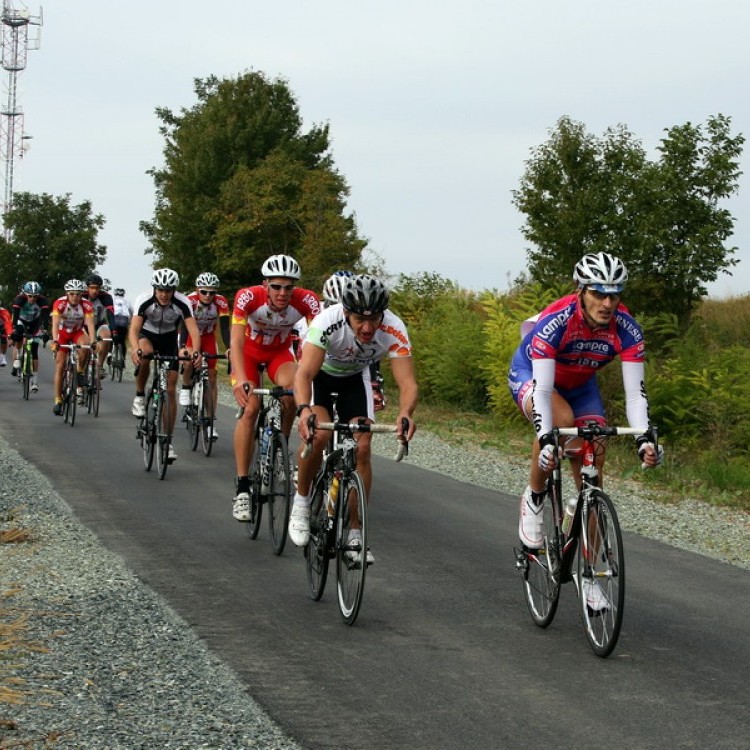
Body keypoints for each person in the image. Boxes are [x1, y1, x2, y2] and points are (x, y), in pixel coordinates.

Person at [508, 252, 663, 610]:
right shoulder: (556, 321)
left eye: (614, 294)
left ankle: (591, 572)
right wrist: (547, 437)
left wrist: (643, 438)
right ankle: (533, 497)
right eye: (598, 293)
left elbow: (636, 395)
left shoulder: (627, 328)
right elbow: (544, 394)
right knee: (562, 424)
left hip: (582, 387)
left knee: (593, 463)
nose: (607, 303)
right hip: (534, 377)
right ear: (581, 290)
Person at [290, 273, 418, 564]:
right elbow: (305, 373)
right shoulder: (327, 321)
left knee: (362, 448)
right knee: (319, 435)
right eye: (360, 319)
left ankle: (355, 533)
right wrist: (303, 410)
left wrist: (405, 414)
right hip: (320, 378)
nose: (368, 327)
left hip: (355, 379)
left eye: (374, 319)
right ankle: (300, 502)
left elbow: (408, 383)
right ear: (346, 312)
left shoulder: (394, 328)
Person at [230, 254, 321, 521]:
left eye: (288, 287)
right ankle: (243, 487)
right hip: (248, 352)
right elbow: (235, 341)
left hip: (278, 354)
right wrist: (241, 378)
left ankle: (280, 445)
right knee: (251, 409)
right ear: (265, 284)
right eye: (276, 286)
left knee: (295, 390)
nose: (283, 293)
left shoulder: (307, 300)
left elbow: (318, 339)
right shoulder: (248, 297)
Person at [129, 268, 202, 462]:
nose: (164, 294)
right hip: (147, 334)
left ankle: (167, 442)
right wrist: (134, 348)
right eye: (160, 290)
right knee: (145, 354)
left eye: (168, 290)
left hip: (169, 338)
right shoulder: (143, 300)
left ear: (174, 290)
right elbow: (134, 328)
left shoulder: (183, 302)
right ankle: (139, 396)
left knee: (170, 390)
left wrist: (196, 350)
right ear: (154, 288)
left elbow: (193, 330)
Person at [179, 272, 231, 439]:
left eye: (212, 292)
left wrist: (230, 348)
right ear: (197, 290)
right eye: (204, 292)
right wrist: (182, 347)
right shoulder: (190, 300)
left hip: (208, 337)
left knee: (212, 377)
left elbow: (224, 329)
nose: (208, 296)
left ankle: (209, 421)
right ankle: (186, 388)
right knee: (188, 361)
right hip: (189, 335)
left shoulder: (221, 302)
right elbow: (183, 328)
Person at [49, 279, 97, 414]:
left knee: (86, 345)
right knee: (60, 366)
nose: (75, 297)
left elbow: (90, 324)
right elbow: (54, 324)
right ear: (67, 293)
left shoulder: (86, 305)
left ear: (82, 294)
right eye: (72, 294)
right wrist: (55, 341)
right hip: (62, 333)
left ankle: (80, 370)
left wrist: (93, 341)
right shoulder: (59, 303)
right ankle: (58, 400)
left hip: (77, 332)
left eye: (78, 294)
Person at [10, 281, 51, 390]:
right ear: (25, 294)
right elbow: (15, 315)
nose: (33, 299)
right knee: (18, 336)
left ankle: (35, 381)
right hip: (21, 320)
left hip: (34, 323)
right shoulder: (20, 299)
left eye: (35, 296)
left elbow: (45, 317)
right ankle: (18, 356)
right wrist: (14, 329)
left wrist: (45, 331)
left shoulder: (42, 300)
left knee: (34, 350)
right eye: (30, 296)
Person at [83, 273, 116, 378]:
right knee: (85, 349)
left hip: (99, 324)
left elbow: (110, 314)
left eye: (97, 288)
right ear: (87, 287)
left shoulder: (106, 297)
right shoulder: (81, 296)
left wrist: (114, 331)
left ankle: (100, 366)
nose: (94, 291)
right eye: (92, 288)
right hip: (83, 326)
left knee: (107, 336)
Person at [111, 287, 133, 360]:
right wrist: (131, 321)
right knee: (122, 341)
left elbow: (108, 310)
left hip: (114, 319)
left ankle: (109, 355)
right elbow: (131, 312)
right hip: (124, 320)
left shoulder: (112, 300)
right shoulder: (127, 301)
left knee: (112, 338)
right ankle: (123, 360)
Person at [0, 301, 11, 367]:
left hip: (2, 326)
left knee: (3, 341)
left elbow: (8, 323)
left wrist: (9, 334)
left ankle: (3, 358)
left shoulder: (4, 312)